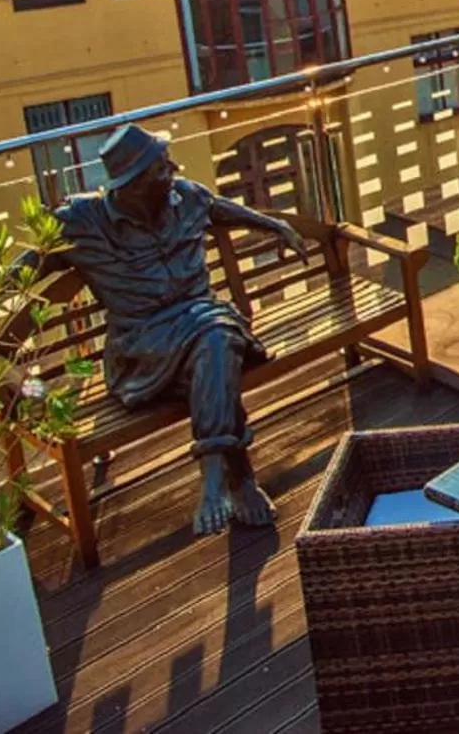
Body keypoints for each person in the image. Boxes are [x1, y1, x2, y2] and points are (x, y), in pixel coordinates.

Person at [39, 124, 307, 537]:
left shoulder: (185, 197)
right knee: (218, 344)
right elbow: (31, 258)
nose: (173, 171)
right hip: (144, 352)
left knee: (215, 342)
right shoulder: (84, 221)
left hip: (203, 329)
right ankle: (238, 480)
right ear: (133, 184)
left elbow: (220, 207)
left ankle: (219, 482)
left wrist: (275, 226)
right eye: (162, 168)